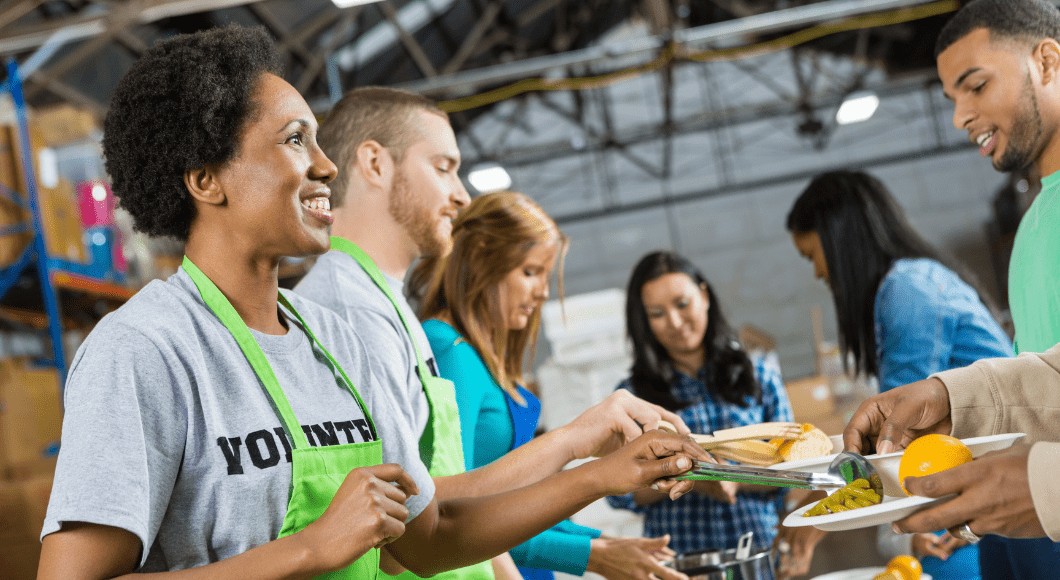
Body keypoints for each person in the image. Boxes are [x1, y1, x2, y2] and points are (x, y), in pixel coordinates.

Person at [35, 26, 711, 580]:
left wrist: (601, 475)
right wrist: (307, 549)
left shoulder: (339, 340)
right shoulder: (146, 351)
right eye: (296, 140)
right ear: (207, 179)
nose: (327, 167)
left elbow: (432, 537)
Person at [294, 87, 697, 580]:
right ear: (375, 163)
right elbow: (418, 531)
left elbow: (432, 504)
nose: (461, 194)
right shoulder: (347, 313)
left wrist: (586, 462)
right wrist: (581, 453)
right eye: (443, 167)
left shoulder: (385, 308)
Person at [842, 1, 1060, 578]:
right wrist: (948, 397)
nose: (961, 116)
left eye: (976, 85)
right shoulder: (1035, 224)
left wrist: (1045, 483)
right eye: (952, 99)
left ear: (1048, 61)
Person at [409, 191, 678, 580]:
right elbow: (456, 515)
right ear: (483, 258)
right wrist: (589, 554)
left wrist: (601, 542)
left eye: (546, 276)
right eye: (531, 272)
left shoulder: (482, 354)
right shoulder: (448, 349)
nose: (544, 293)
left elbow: (518, 499)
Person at [780, 170, 1014, 579]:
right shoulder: (913, 280)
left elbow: (895, 431)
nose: (818, 273)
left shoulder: (907, 291)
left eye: (811, 256)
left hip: (1005, 481)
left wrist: (818, 511)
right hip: (991, 478)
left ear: (839, 241)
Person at [606, 251, 794, 555]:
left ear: (704, 296)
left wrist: (734, 479)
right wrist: (684, 474)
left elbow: (793, 467)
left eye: (682, 304)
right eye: (657, 313)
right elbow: (617, 490)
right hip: (683, 563)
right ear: (644, 322)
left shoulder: (758, 376)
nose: (675, 322)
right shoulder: (632, 398)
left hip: (759, 556)